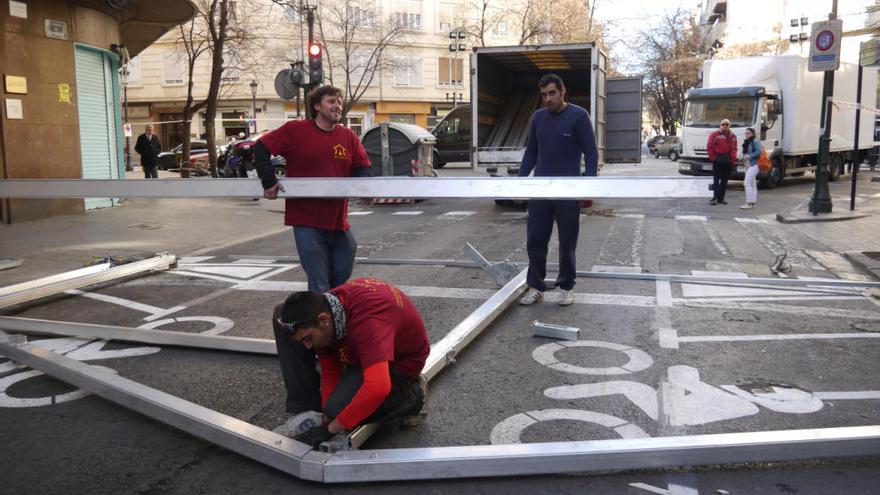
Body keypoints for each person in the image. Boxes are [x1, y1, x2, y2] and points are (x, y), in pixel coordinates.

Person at [271, 278, 430, 447]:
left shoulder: (367, 322)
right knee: (280, 312)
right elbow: (331, 369)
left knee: (346, 408)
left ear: (323, 320)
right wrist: (327, 417)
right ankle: (309, 409)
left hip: (400, 362)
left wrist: (332, 428)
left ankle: (413, 396)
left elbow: (377, 388)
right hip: (363, 352)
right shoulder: (326, 311)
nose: (307, 346)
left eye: (308, 338)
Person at [254, 85, 372, 294]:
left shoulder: (348, 136)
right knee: (319, 283)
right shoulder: (295, 131)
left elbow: (362, 167)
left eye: (339, 102)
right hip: (306, 222)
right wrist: (268, 182)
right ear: (317, 106)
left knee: (341, 273)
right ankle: (323, 318)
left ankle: (330, 313)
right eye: (331, 101)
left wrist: (365, 189)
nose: (337, 106)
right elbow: (261, 147)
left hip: (337, 222)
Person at [518, 73, 599, 307]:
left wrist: (589, 185)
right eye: (544, 94)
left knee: (567, 243)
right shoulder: (538, 118)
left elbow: (591, 153)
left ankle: (566, 286)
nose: (548, 98)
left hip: (568, 191)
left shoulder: (579, 116)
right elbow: (531, 152)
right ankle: (536, 286)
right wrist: (521, 180)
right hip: (540, 191)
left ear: (563, 92)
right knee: (535, 241)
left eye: (552, 93)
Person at [706, 119, 738, 205]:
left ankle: (721, 198)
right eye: (723, 124)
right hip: (718, 159)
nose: (725, 126)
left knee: (725, 180)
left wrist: (733, 159)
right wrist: (713, 158)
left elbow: (734, 148)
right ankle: (715, 198)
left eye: (727, 124)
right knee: (716, 179)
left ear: (729, 125)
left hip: (728, 160)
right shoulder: (714, 134)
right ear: (720, 125)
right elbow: (709, 146)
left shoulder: (733, 136)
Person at [740, 127, 762, 209]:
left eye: (748, 133)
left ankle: (749, 203)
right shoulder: (747, 142)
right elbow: (745, 152)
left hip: (754, 164)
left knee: (746, 183)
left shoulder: (755, 140)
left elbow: (758, 151)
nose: (746, 135)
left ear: (752, 133)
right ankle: (753, 202)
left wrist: (749, 156)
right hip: (747, 165)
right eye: (745, 133)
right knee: (752, 184)